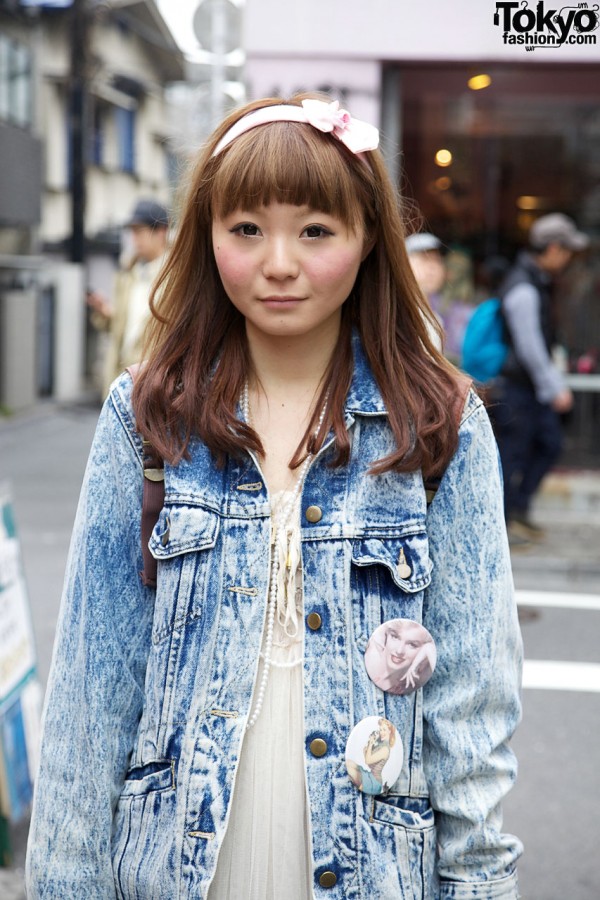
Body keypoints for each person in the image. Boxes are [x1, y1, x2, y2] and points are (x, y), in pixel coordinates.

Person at [26, 94, 523, 899]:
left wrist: (480, 885)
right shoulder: (149, 414)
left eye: (316, 231)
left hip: (370, 865)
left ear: (368, 241)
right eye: (246, 229)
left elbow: (472, 705)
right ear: (208, 236)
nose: (279, 262)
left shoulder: (437, 425)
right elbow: (91, 694)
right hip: (179, 864)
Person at [491, 212, 589, 545]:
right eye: (565, 250)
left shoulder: (535, 281)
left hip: (529, 389)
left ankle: (517, 511)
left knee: (548, 444)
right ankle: (500, 531)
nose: (567, 258)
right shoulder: (524, 286)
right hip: (518, 389)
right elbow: (529, 346)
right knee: (511, 457)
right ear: (551, 248)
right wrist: (554, 387)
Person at [87, 198, 170, 397]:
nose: (135, 239)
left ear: (161, 232)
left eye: (140, 231)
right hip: (121, 381)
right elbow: (124, 330)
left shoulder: (180, 277)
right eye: (132, 232)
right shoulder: (127, 273)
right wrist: (106, 314)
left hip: (156, 389)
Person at [405, 231, 474, 365]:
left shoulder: (436, 311)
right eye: (424, 259)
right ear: (403, 263)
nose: (433, 267)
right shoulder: (396, 313)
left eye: (437, 260)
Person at [364, 619, 437, 694]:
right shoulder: (371, 654)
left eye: (412, 645)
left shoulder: (412, 683)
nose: (399, 651)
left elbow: (429, 647)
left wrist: (415, 664)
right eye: (395, 637)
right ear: (386, 636)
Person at [346, 718, 397, 794]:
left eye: (384, 730)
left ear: (390, 731)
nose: (381, 732)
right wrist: (370, 742)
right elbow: (369, 763)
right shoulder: (380, 744)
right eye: (380, 730)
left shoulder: (385, 749)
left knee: (351, 772)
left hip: (374, 782)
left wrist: (370, 744)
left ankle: (358, 789)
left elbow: (367, 760)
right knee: (348, 763)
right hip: (370, 774)